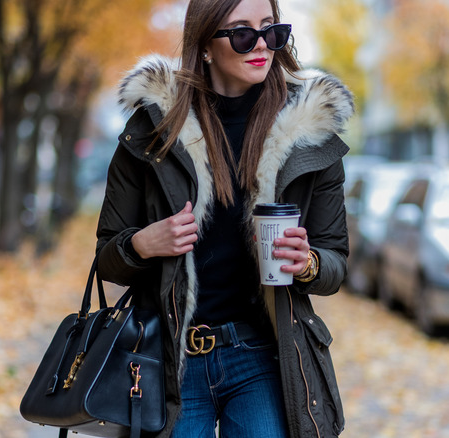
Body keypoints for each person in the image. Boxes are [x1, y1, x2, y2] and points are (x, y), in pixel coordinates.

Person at [95, 0, 353, 436]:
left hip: (261, 357)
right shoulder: (152, 130)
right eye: (242, 32)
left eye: (271, 30)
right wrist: (142, 244)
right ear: (207, 46)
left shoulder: (310, 135)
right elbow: (107, 258)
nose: (261, 45)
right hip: (170, 358)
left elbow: (335, 263)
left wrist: (307, 262)